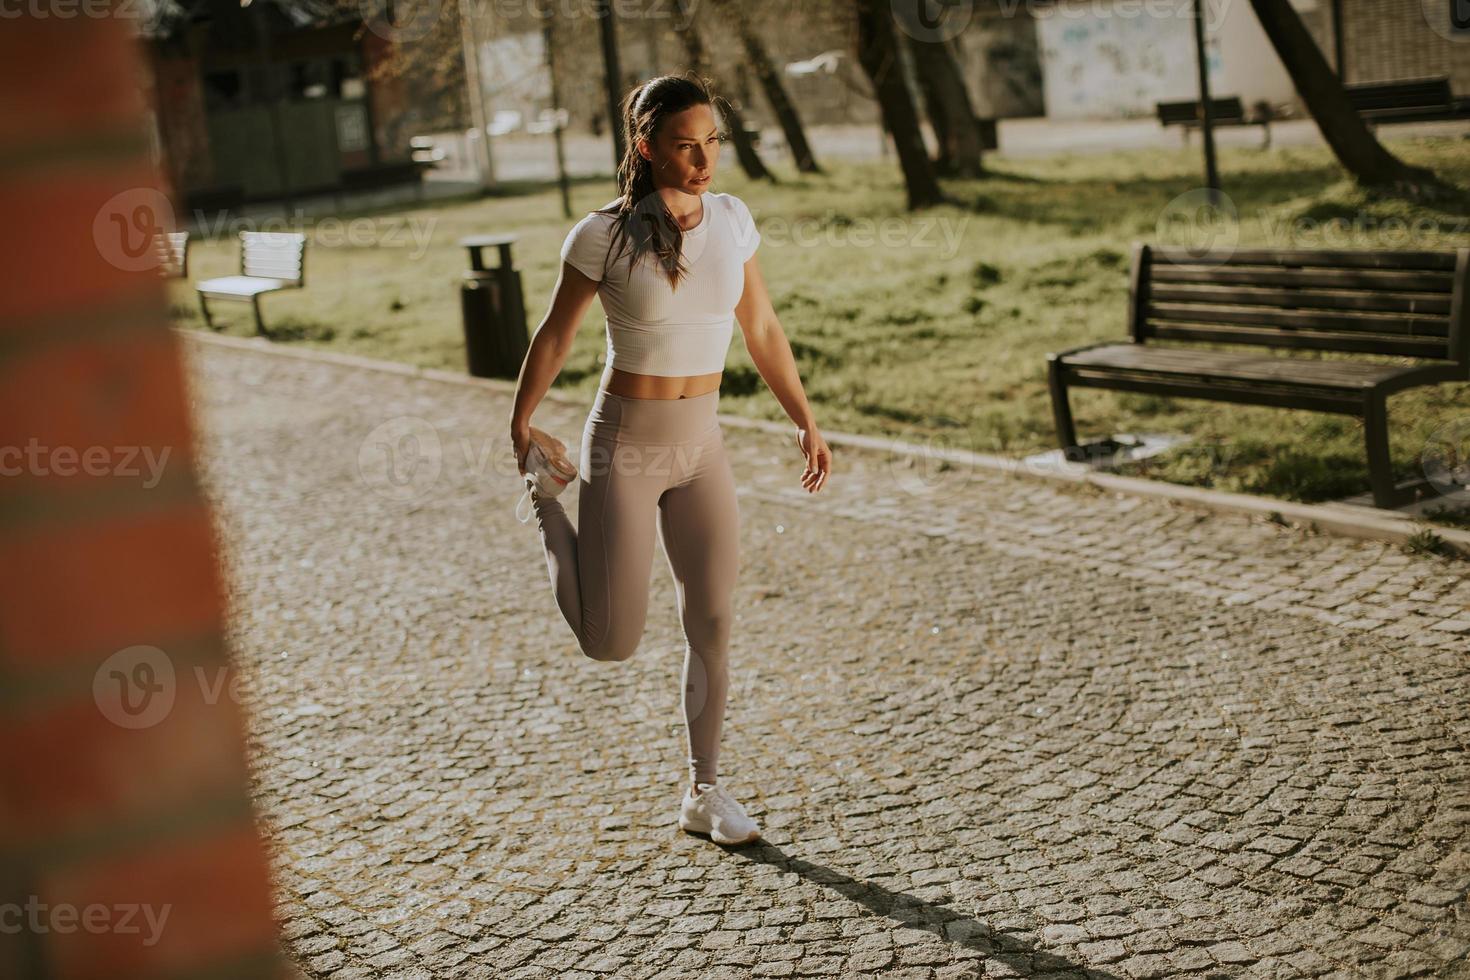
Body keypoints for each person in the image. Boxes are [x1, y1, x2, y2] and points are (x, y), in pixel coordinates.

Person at [509, 72, 832, 847]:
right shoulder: (601, 235)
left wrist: (804, 420)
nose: (703, 159)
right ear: (645, 146)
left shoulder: (732, 219)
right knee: (609, 641)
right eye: (685, 145)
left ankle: (705, 790)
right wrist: (520, 422)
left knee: (712, 620)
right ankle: (544, 502)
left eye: (712, 141)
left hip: (702, 443)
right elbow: (555, 335)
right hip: (624, 443)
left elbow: (761, 326)